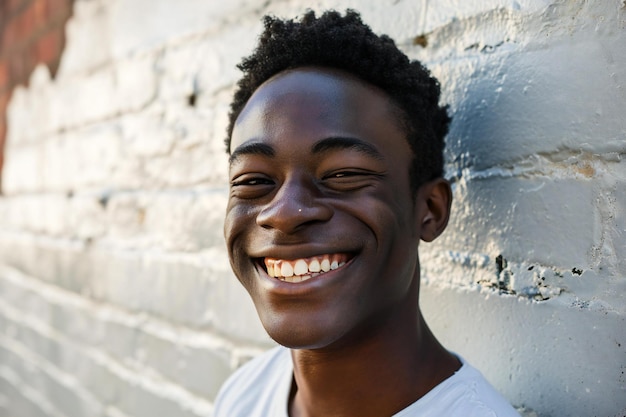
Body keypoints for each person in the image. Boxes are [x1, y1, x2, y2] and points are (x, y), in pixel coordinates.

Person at [216, 9, 520, 417]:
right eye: (253, 181)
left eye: (343, 174)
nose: (285, 212)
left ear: (429, 210)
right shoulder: (242, 396)